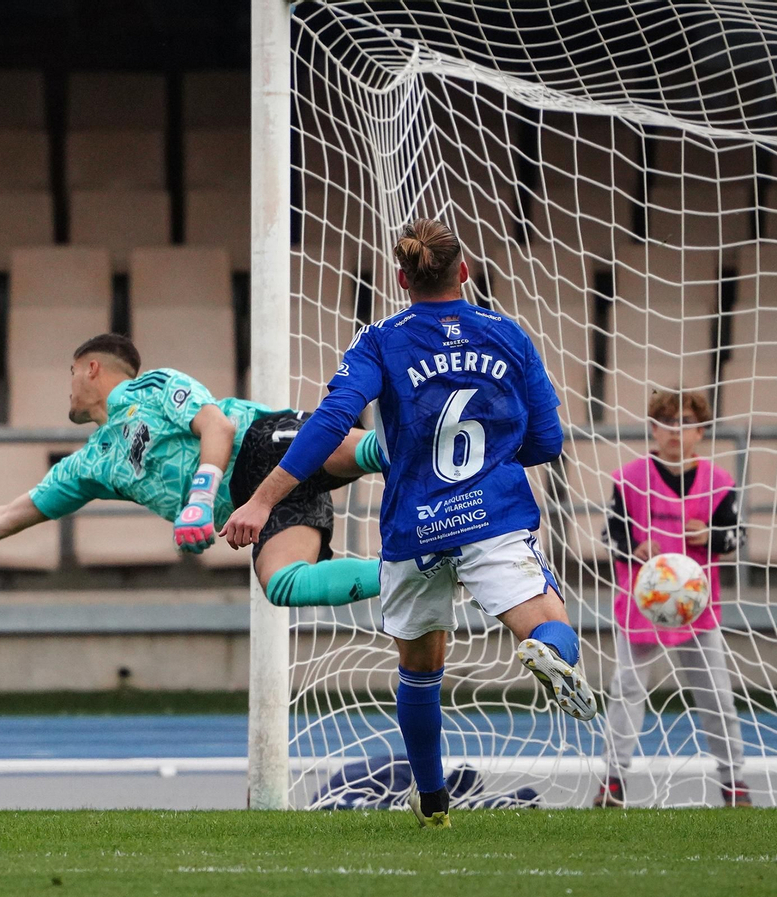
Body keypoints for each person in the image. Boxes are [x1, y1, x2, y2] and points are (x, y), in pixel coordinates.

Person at [221, 218, 597, 830]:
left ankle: (432, 805)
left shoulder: (379, 340)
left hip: (413, 528)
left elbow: (331, 420)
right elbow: (548, 442)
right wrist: (500, 453)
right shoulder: (508, 335)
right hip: (491, 518)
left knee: (420, 670)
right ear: (465, 272)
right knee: (555, 626)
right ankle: (544, 651)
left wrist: (263, 500)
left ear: (401, 277)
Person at [0, 332, 384, 612]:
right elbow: (8, 516)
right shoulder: (89, 465)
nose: (68, 387)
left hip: (262, 443)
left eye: (70, 374)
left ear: (91, 367)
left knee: (376, 452)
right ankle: (406, 573)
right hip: (254, 506)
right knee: (284, 585)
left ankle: (451, 452)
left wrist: (200, 501)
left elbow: (217, 428)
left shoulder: (151, 386)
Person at [597, 388, 749, 808]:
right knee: (625, 691)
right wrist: (634, 547)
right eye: (666, 423)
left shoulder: (719, 483)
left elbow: (738, 536)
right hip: (641, 607)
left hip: (695, 610)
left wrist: (712, 536)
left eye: (685, 423)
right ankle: (612, 781)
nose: (675, 432)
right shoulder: (628, 479)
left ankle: (734, 782)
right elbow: (609, 533)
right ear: (653, 429)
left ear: (701, 430)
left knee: (716, 697)